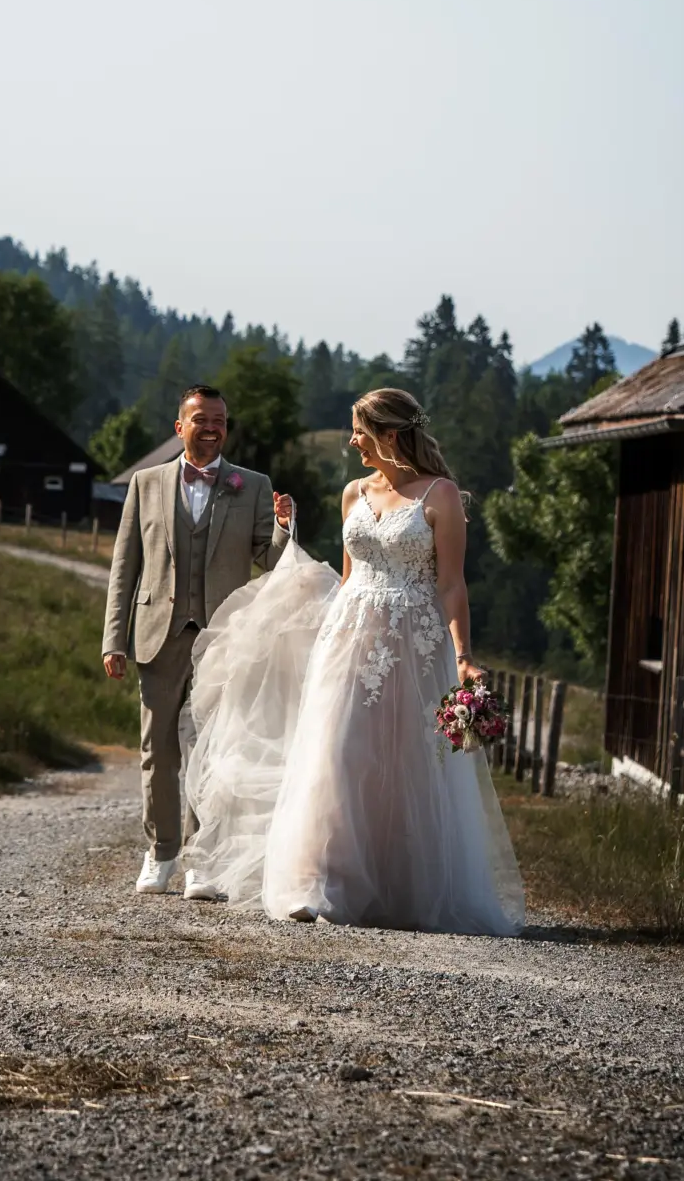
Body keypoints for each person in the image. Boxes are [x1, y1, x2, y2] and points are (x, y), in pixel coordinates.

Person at [184, 387, 524, 934]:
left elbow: (453, 585)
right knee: (337, 754)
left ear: (389, 435)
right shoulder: (352, 493)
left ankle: (398, 888)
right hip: (349, 639)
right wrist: (289, 541)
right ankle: (320, 885)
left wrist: (463, 657)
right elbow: (346, 579)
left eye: (360, 431)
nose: (352, 440)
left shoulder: (441, 496)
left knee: (400, 763)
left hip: (414, 644)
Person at [101, 384, 294, 898]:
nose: (212, 428)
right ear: (179, 426)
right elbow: (126, 567)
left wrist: (282, 528)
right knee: (157, 751)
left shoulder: (251, 485)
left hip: (223, 638)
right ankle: (161, 852)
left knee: (214, 750)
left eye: (221, 421)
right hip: (156, 637)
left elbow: (270, 562)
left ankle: (204, 862)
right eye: (202, 419)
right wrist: (112, 639)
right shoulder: (145, 483)